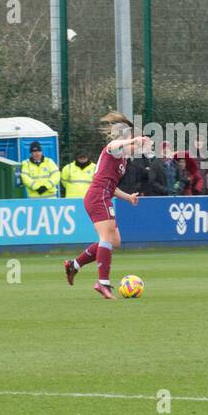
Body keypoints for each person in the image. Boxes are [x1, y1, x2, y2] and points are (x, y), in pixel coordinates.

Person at [62, 112, 150, 299]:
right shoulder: (112, 149)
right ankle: (103, 283)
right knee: (106, 236)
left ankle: (74, 265)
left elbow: (113, 185)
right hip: (98, 196)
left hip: (103, 196)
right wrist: (132, 140)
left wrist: (128, 197)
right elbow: (114, 145)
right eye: (129, 138)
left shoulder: (122, 158)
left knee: (114, 241)